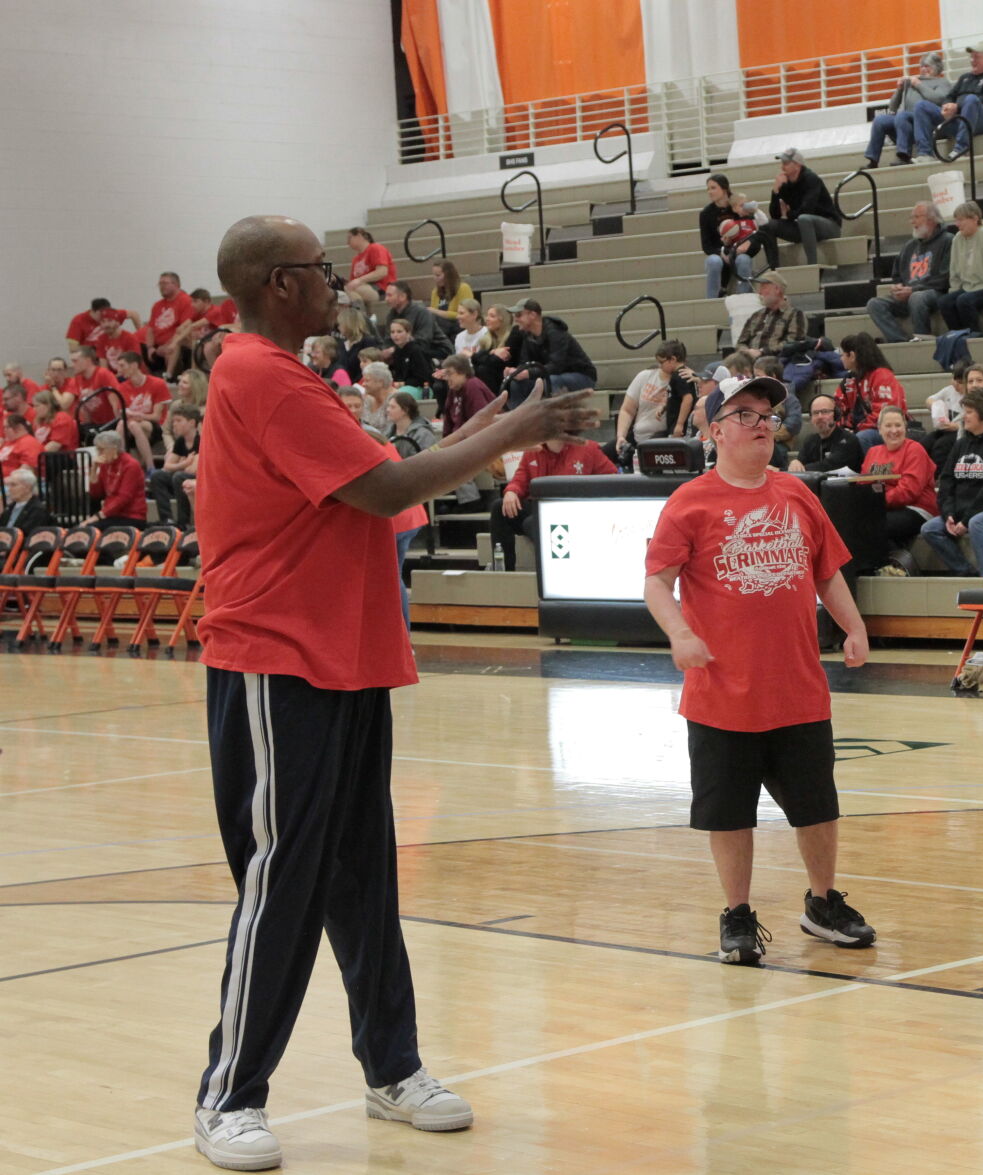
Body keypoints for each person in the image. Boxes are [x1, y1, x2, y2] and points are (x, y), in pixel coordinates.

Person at [188, 214, 595, 1170]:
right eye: (322, 270)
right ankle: (230, 1094)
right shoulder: (261, 374)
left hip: (342, 652)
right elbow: (381, 489)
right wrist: (514, 430)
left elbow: (380, 478)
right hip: (276, 655)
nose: (340, 283)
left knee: (363, 872)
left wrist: (498, 423)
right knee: (283, 875)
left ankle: (392, 1067)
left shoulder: (291, 377)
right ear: (280, 284)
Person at [642, 373, 875, 964]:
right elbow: (656, 583)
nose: (761, 424)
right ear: (715, 430)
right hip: (722, 694)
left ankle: (823, 903)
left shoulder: (797, 494)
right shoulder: (689, 502)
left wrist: (853, 625)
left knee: (818, 806)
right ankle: (738, 914)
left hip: (797, 688)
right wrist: (680, 632)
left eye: (768, 415)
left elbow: (827, 571)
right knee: (729, 813)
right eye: (745, 415)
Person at [919, 385, 983, 574]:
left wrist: (965, 520)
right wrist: (948, 514)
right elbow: (947, 481)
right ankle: (966, 571)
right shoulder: (961, 444)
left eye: (968, 412)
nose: (963, 416)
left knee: (977, 522)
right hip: (964, 512)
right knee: (929, 529)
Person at [494, 435, 617, 570]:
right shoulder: (532, 449)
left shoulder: (588, 448)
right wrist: (511, 491)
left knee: (532, 523)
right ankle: (503, 571)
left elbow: (612, 478)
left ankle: (557, 571)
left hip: (572, 512)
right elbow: (520, 478)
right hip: (539, 507)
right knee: (500, 507)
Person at [866, 203, 951, 345]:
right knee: (874, 304)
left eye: (917, 217)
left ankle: (922, 338)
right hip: (910, 294)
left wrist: (913, 290)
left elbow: (944, 279)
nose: (913, 221)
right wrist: (897, 287)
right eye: (912, 217)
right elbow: (897, 275)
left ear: (932, 219)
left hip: (937, 293)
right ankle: (900, 340)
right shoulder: (909, 246)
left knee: (917, 297)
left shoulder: (948, 240)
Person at [860, 404, 939, 549]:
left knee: (876, 525)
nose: (894, 431)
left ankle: (893, 566)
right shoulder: (873, 452)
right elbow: (864, 484)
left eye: (898, 425)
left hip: (917, 509)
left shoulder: (915, 449)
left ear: (905, 427)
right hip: (884, 507)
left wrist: (875, 501)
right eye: (888, 426)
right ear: (879, 429)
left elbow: (908, 491)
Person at [749, 148, 842, 270]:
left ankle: (812, 266)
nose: (782, 167)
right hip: (804, 226)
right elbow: (775, 215)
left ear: (797, 165)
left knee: (804, 219)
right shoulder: (785, 183)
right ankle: (773, 269)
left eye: (786, 164)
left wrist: (789, 214)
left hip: (829, 225)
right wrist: (775, 191)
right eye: (782, 163)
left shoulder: (811, 179)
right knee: (768, 225)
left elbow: (806, 210)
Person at [911, 42, 983, 159]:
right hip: (959, 120)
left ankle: (961, 149)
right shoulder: (965, 78)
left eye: (976, 57)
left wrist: (957, 106)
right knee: (921, 106)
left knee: (971, 99)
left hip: (982, 123)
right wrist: (947, 107)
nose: (972, 60)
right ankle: (924, 154)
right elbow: (950, 96)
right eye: (971, 57)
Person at [608, 340, 697, 466]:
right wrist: (621, 436)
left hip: (661, 436)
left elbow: (689, 399)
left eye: (662, 362)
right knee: (602, 454)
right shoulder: (645, 376)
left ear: (672, 359)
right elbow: (627, 410)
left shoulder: (683, 377)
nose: (660, 365)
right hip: (637, 435)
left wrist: (698, 378)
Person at [864, 51, 950, 168]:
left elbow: (939, 99)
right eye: (922, 66)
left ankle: (904, 155)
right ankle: (872, 160)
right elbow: (892, 108)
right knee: (880, 120)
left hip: (926, 124)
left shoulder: (942, 82)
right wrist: (899, 89)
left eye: (927, 66)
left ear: (937, 68)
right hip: (905, 124)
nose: (923, 69)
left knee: (902, 115)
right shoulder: (912, 82)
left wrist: (919, 85)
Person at [506, 298, 597, 407]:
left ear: (532, 315)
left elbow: (557, 366)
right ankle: (518, 420)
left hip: (582, 376)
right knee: (517, 383)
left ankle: (555, 420)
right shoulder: (528, 336)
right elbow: (525, 361)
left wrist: (528, 373)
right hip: (551, 375)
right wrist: (516, 372)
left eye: (519, 315)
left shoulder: (555, 332)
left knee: (552, 381)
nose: (515, 319)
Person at [940, 202, 983, 332]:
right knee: (945, 302)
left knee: (964, 301)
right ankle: (958, 336)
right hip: (969, 288)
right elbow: (954, 270)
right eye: (956, 220)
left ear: (974, 218)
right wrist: (954, 292)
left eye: (961, 220)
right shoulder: (957, 239)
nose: (957, 224)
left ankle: (974, 335)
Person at [834, 333, 907, 449]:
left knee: (862, 437)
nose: (841, 358)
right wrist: (840, 429)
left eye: (843, 354)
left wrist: (856, 429)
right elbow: (837, 407)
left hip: (885, 430)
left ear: (852, 356)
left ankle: (872, 467)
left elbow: (886, 413)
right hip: (858, 429)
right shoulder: (849, 380)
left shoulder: (882, 376)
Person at [700, 173, 757, 299]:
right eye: (708, 189)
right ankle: (712, 301)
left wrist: (744, 246)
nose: (710, 192)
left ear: (724, 188)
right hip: (720, 253)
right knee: (712, 261)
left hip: (740, 250)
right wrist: (722, 253)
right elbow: (706, 246)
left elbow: (754, 230)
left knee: (744, 260)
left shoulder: (738, 204)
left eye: (713, 188)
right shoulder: (706, 214)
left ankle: (744, 298)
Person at [115, 350, 173, 471]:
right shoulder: (121, 387)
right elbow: (121, 414)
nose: (119, 370)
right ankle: (124, 464)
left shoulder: (157, 384)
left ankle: (148, 467)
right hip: (132, 426)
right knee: (123, 424)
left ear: (134, 365)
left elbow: (157, 417)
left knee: (133, 425)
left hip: (154, 426)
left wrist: (137, 415)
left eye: (122, 366)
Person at [81, 430, 147, 527]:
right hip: (112, 514)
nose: (99, 453)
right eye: (97, 450)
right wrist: (94, 469)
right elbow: (95, 494)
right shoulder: (105, 464)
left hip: (131, 516)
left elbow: (123, 498)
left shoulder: (131, 465)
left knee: (91, 528)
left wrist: (98, 516)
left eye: (101, 449)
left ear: (114, 449)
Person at [735, 273, 809, 360]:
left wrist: (762, 352)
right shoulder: (756, 315)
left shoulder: (795, 315)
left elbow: (793, 343)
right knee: (717, 367)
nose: (759, 292)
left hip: (775, 362)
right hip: (748, 361)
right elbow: (741, 342)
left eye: (764, 287)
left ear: (777, 289)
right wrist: (747, 352)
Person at [150, 403, 202, 526]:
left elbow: (194, 470)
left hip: (199, 479)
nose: (174, 424)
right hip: (182, 476)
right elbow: (167, 466)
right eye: (173, 421)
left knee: (179, 477)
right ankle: (166, 519)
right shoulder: (180, 441)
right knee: (158, 476)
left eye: (179, 421)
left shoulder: (201, 440)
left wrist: (182, 465)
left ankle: (183, 521)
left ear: (192, 423)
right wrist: (185, 463)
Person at [789, 393, 865, 473]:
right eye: (815, 413)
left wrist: (799, 469)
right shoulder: (810, 441)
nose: (820, 417)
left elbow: (829, 466)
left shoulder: (848, 440)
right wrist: (795, 463)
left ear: (836, 414)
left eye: (825, 412)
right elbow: (799, 465)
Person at [383, 282, 451, 364]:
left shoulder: (421, 312)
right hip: (407, 351)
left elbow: (424, 340)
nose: (386, 299)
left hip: (437, 350)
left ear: (403, 297)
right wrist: (385, 351)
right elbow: (388, 339)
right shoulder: (391, 315)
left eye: (389, 295)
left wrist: (394, 350)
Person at [143, 272, 196, 375]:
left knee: (173, 349)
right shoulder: (157, 305)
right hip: (158, 347)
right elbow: (150, 329)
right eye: (160, 284)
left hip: (177, 344)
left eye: (165, 283)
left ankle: (170, 377)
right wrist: (150, 348)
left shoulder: (185, 301)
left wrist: (167, 346)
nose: (161, 287)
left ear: (176, 284)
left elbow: (183, 329)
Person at [435, 354, 496, 439]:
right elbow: (448, 424)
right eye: (446, 374)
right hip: (461, 439)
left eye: (449, 373)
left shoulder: (473, 386)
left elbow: (479, 422)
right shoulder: (453, 389)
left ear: (462, 372)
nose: (447, 378)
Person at [66, 297, 139, 355]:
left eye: (109, 319)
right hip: (92, 354)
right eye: (102, 316)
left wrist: (139, 332)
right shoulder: (78, 321)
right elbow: (73, 348)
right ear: (94, 311)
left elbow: (133, 314)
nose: (105, 319)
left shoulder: (111, 316)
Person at [344, 226, 396, 308]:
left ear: (359, 236)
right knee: (344, 293)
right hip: (365, 289)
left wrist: (359, 280)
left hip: (382, 289)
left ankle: (359, 316)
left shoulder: (375, 248)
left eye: (349, 238)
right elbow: (353, 282)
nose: (347, 242)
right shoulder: (356, 259)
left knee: (350, 291)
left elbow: (382, 272)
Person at [383, 319, 433, 389]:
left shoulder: (416, 350)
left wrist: (401, 384)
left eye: (399, 332)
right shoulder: (397, 351)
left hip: (420, 388)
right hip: (402, 386)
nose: (395, 335)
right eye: (392, 332)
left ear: (408, 333)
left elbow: (423, 378)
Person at [385, 390, 438, 456]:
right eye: (388, 406)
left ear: (405, 410)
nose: (388, 410)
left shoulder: (423, 435)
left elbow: (431, 458)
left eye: (392, 407)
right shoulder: (388, 433)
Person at [2, 466, 53, 533]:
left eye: (13, 485)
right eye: (9, 485)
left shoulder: (37, 510)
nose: (9, 489)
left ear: (27, 488)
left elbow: (27, 535)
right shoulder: (9, 508)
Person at [0, 415, 44, 481]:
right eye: (4, 427)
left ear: (20, 427)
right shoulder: (8, 443)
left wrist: (4, 482)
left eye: (7, 427)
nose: (4, 431)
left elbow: (25, 472)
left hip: (18, 485)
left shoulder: (29, 443)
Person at [359, 362, 398, 434]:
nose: (363, 384)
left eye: (367, 380)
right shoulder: (367, 399)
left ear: (380, 382)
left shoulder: (397, 400)